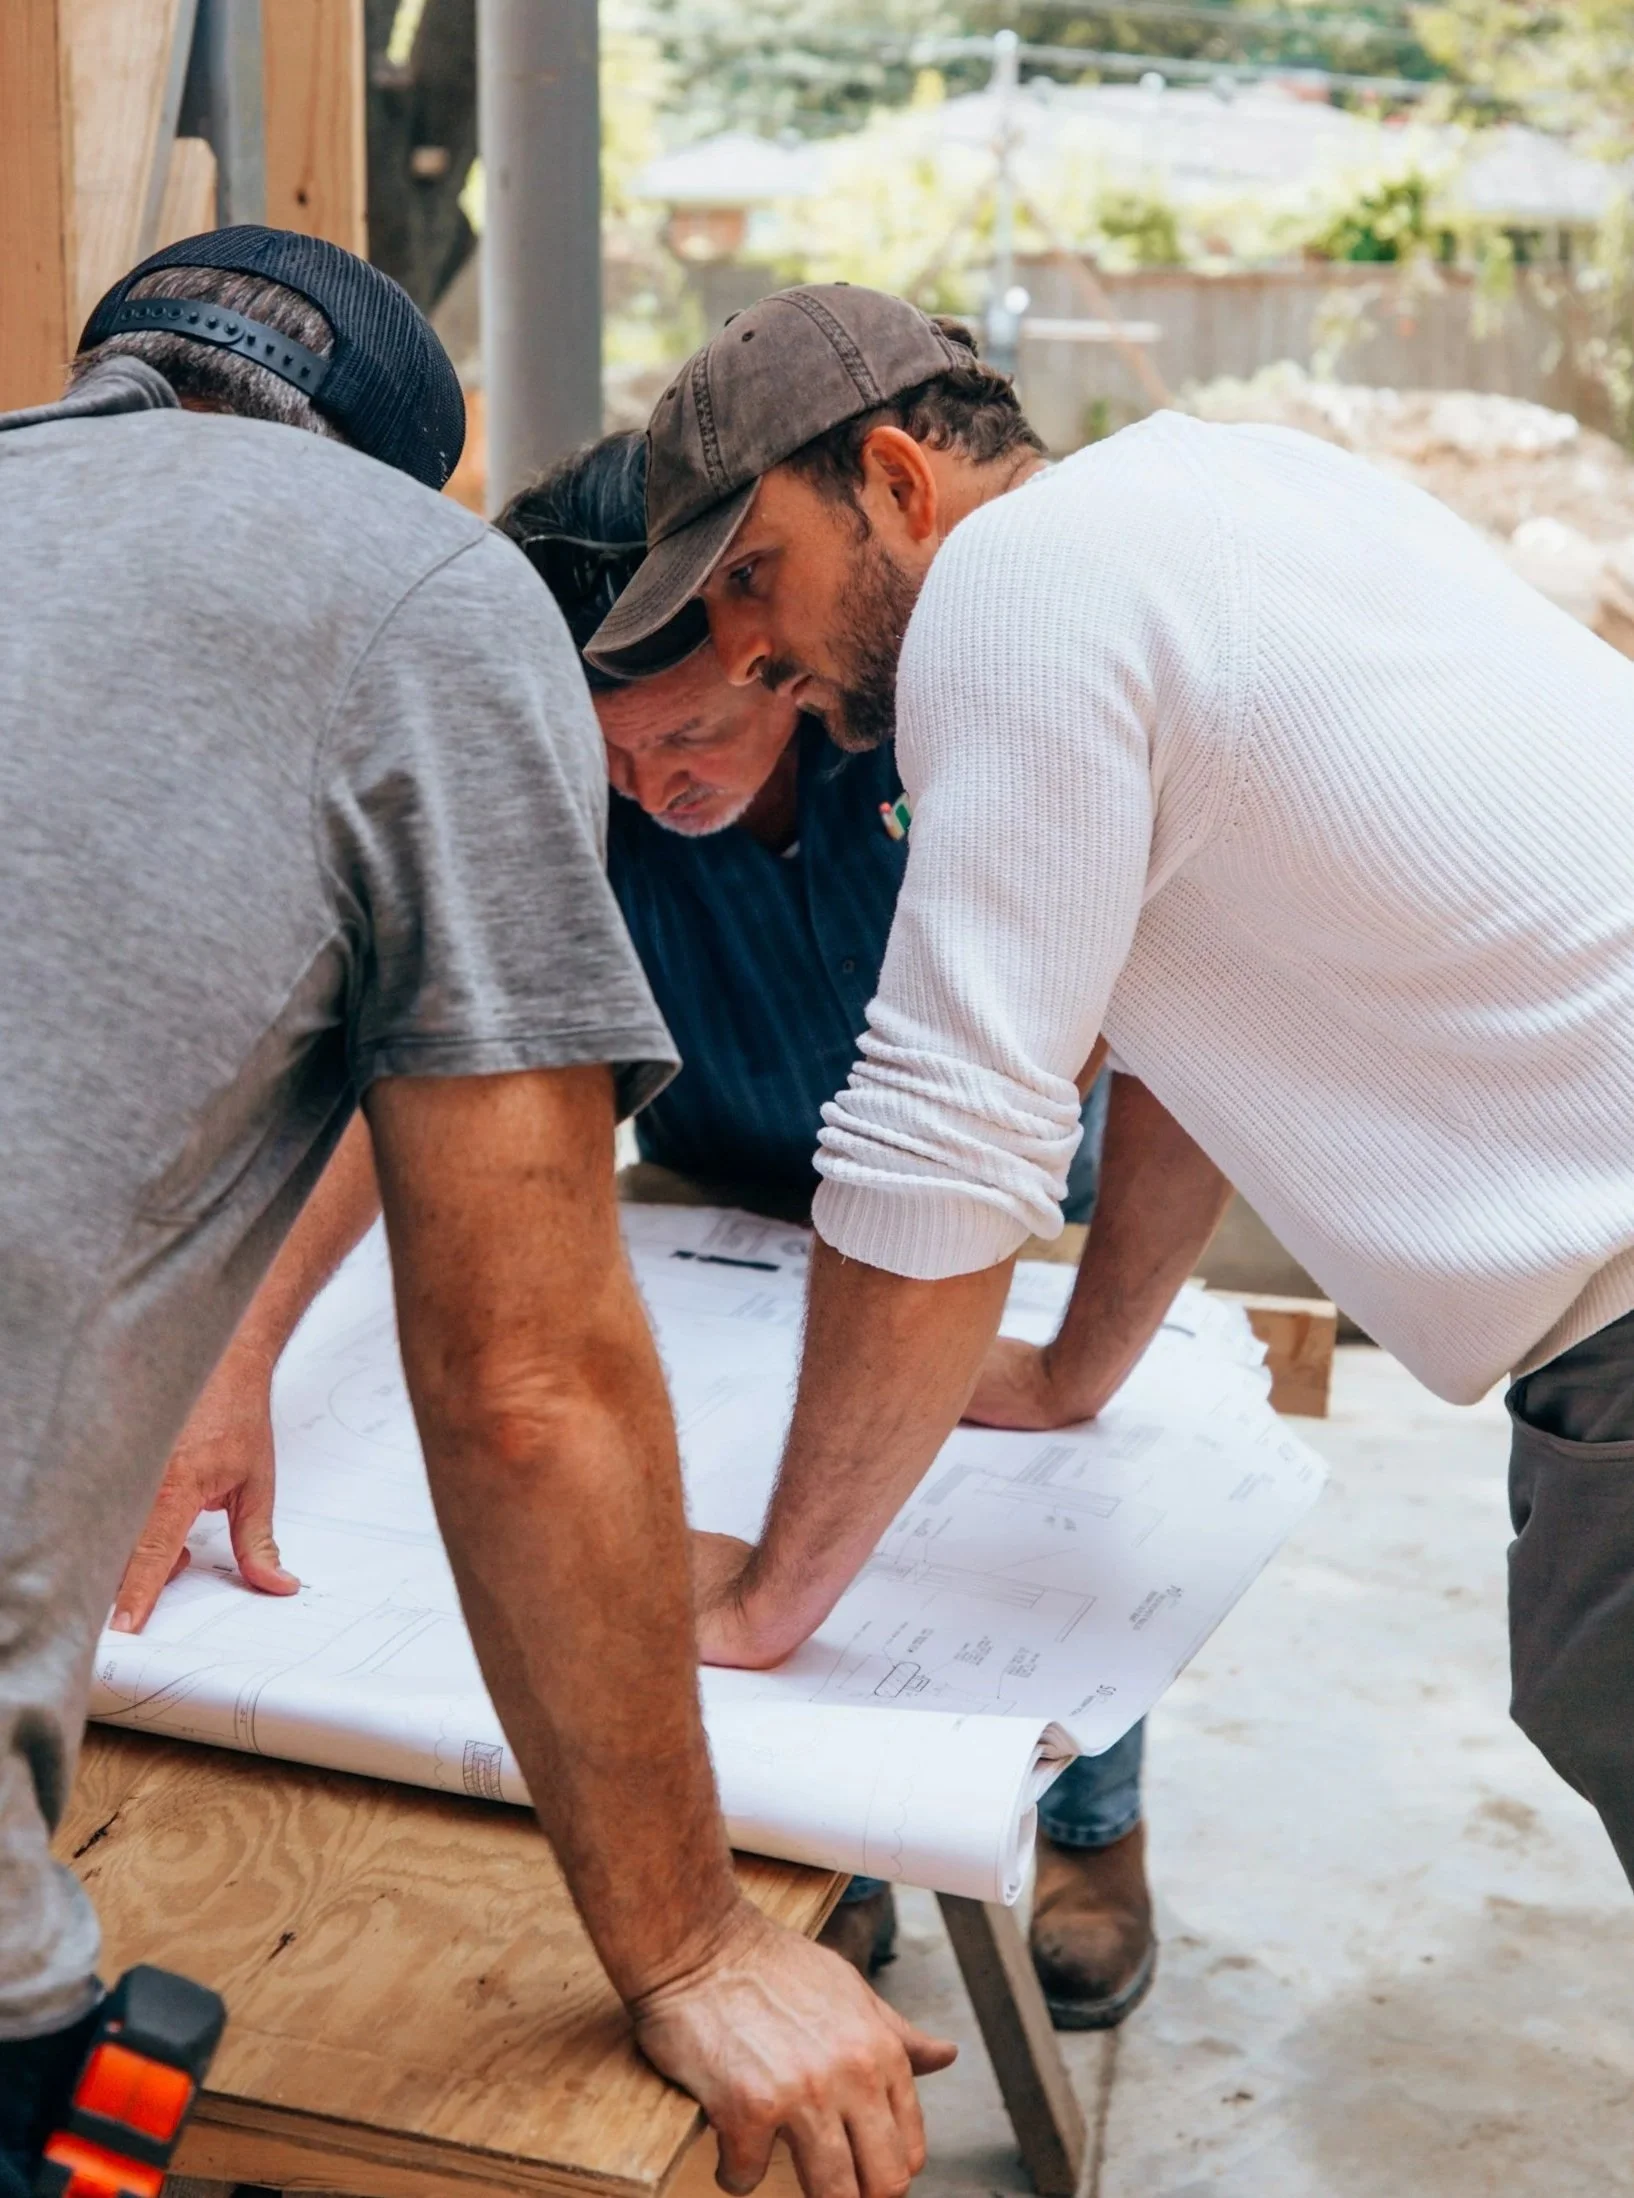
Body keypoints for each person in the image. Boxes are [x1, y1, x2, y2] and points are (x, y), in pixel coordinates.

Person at [0, 234, 950, 2197]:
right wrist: (688, 1939)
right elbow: (521, 1366)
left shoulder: (898, 756)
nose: (670, 777)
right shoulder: (424, 600)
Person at [586, 284, 1634, 1893]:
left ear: (895, 479)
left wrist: (762, 1600)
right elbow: (1170, 1049)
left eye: (754, 576)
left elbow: (946, 1135)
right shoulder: (1234, 485)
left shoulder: (1008, 593)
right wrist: (1076, 1367)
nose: (746, 646)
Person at [118, 423, 1152, 2032]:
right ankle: (841, 1858)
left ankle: (1089, 1831)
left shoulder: (941, 722)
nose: (644, 784)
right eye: (605, 753)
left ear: (768, 652)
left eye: (676, 734)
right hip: (721, 1189)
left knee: (1029, 1503)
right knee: (738, 1504)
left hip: (985, 1215)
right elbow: (418, 1084)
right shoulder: (579, 797)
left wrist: (1085, 1351)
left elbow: (1160, 1037)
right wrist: (235, 1348)